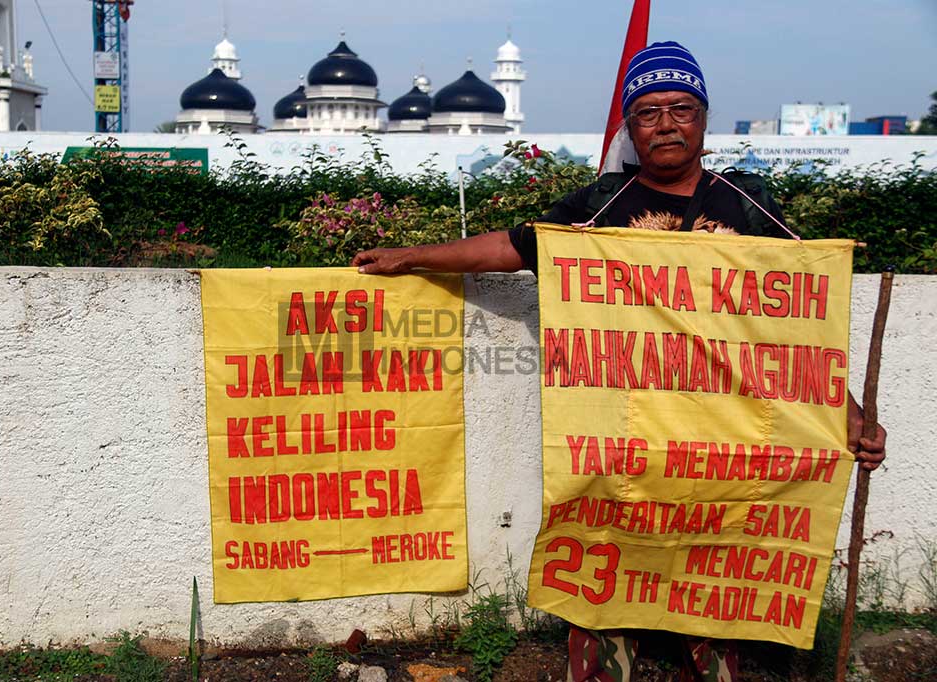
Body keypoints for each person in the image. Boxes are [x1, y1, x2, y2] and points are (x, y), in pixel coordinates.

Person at [352, 41, 886, 682]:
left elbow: (801, 327)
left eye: (681, 108)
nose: (665, 123)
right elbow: (510, 246)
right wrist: (409, 256)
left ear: (704, 117)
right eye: (649, 111)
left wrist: (850, 415)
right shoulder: (597, 207)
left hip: (724, 434)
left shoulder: (749, 209)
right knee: (605, 559)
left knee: (721, 562)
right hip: (624, 434)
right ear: (631, 127)